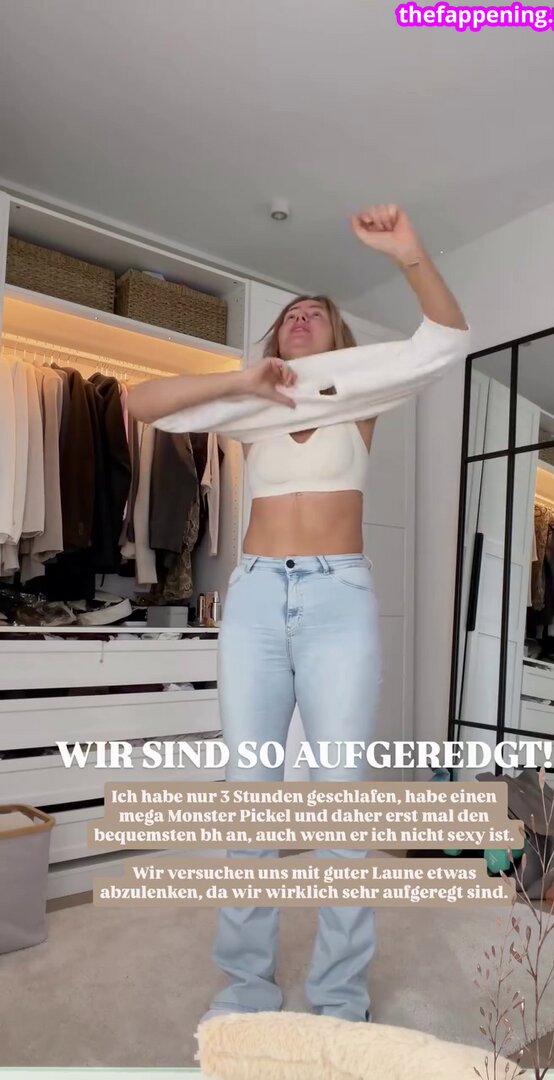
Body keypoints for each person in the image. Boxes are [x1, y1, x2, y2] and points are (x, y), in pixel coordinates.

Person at [128, 204, 468, 1025]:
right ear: (276, 339)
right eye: (290, 313)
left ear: (337, 338)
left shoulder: (360, 395)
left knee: (340, 798)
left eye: (317, 311)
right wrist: (240, 381)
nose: (303, 314)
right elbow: (141, 402)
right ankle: (245, 984)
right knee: (252, 794)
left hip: (337, 598)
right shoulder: (248, 407)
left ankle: (339, 995)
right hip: (254, 598)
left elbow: (446, 339)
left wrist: (409, 254)